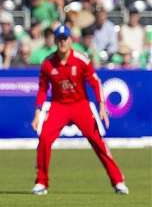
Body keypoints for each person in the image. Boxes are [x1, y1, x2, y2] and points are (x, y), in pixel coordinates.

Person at [30, 25, 129, 195]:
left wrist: (102, 105)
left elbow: (95, 82)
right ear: (55, 41)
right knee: (44, 139)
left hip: (79, 105)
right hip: (58, 105)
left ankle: (118, 181)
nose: (62, 42)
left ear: (70, 40)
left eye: (65, 39)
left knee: (97, 140)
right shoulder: (47, 63)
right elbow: (41, 89)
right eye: (59, 39)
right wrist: (38, 112)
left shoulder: (81, 60)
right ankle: (41, 182)